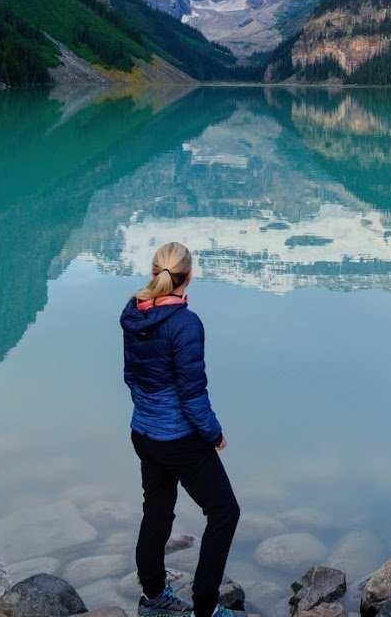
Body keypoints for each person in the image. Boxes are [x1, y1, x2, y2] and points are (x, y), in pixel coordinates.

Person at [121, 242, 239, 617]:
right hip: (178, 438)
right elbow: (192, 394)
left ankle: (154, 596)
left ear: (156, 272)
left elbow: (131, 377)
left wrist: (150, 415)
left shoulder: (134, 313)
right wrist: (213, 433)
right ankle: (205, 608)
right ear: (188, 276)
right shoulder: (185, 323)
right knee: (224, 512)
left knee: (157, 510)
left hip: (144, 432)